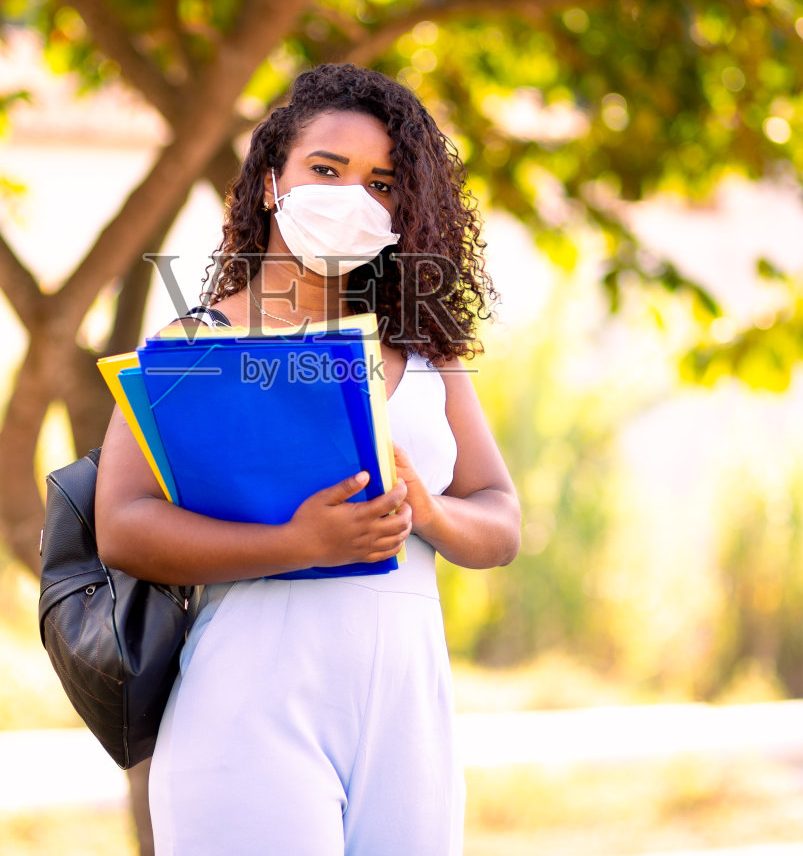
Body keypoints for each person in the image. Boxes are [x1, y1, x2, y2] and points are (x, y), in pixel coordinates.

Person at [95, 63, 521, 855]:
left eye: (382, 183)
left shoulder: (428, 355)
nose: (353, 196)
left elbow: (501, 519)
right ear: (270, 183)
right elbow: (122, 525)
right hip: (250, 703)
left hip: (408, 712)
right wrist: (300, 543)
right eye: (326, 170)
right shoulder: (196, 345)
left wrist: (429, 510)